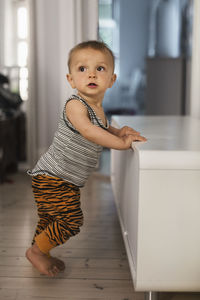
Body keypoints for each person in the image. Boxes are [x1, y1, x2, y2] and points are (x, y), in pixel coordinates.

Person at [26, 40, 147, 277]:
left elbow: (100, 128)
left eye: (100, 69)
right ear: (71, 79)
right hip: (53, 177)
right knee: (71, 221)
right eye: (82, 69)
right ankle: (36, 252)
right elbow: (89, 131)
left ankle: (41, 251)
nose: (91, 73)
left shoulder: (97, 109)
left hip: (65, 180)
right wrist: (121, 144)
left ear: (112, 79)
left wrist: (118, 132)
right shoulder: (75, 105)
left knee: (51, 220)